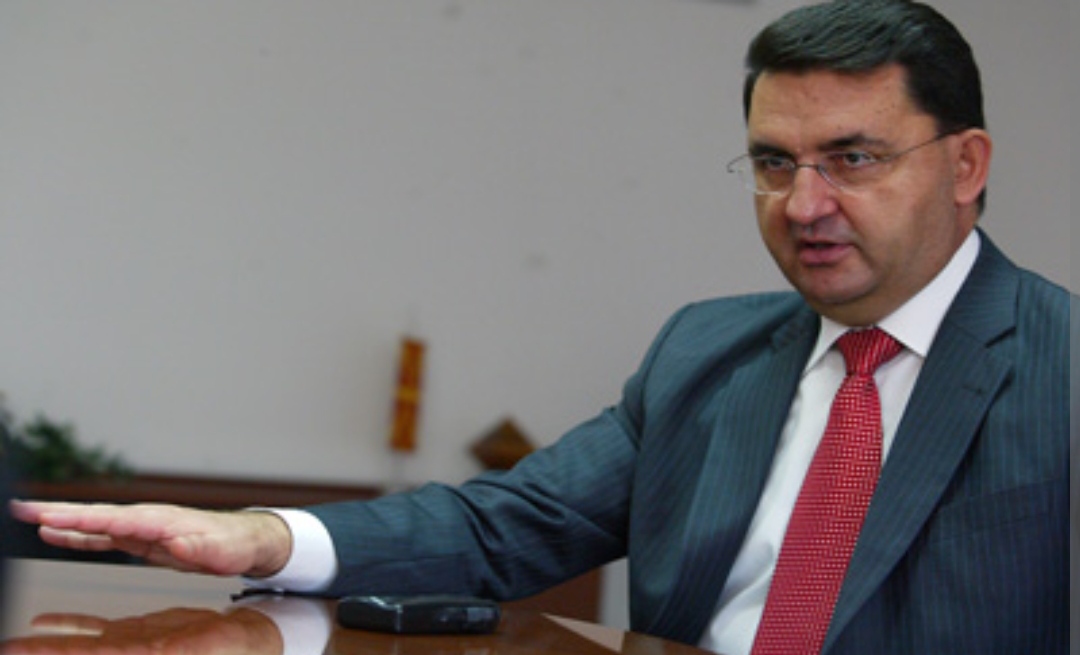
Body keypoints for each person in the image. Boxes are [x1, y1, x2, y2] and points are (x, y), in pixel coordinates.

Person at [10, 1, 1070, 653]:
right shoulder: (707, 353)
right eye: (773, 163)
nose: (803, 204)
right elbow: (503, 527)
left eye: (853, 159)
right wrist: (266, 537)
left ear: (965, 165)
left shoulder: (1061, 365)